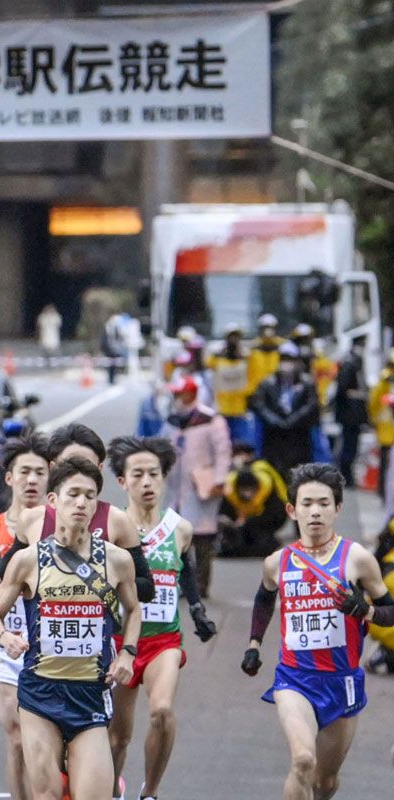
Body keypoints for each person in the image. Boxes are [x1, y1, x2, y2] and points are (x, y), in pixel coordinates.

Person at [0, 457, 142, 800]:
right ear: (53, 500)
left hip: (90, 693)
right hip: (40, 694)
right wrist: (5, 637)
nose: (82, 503)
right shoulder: (27, 560)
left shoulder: (117, 560)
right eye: (73, 494)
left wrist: (128, 653)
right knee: (47, 794)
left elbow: (133, 610)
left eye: (90, 495)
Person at [241, 463, 393, 800]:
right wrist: (254, 644)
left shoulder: (357, 559)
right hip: (295, 679)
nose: (315, 512)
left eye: (324, 503)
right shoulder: (277, 562)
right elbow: (264, 598)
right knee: (303, 761)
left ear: (338, 508)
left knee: (325, 781)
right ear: (291, 510)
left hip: (342, 682)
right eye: (307, 503)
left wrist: (366, 610)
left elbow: (391, 613)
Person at [105, 437, 217, 800]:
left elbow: (187, 572)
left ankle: (150, 792)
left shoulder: (179, 528)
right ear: (122, 481)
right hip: (121, 642)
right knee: (118, 737)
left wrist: (197, 612)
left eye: (154, 474)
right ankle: (112, 790)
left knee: (162, 712)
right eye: (137, 475)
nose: (147, 482)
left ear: (165, 477)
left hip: (163, 640)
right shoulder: (111, 529)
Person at [0, 423, 157, 609]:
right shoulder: (31, 519)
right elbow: (5, 570)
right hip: (43, 625)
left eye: (87, 466)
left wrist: (97, 581)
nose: (79, 474)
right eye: (69, 465)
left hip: (96, 625)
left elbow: (147, 589)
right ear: (53, 467)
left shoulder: (117, 521)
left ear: (100, 469)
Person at [0, 433, 50, 800]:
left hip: (53, 643)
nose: (32, 480)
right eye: (24, 472)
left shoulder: (62, 528)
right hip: (5, 641)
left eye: (40, 472)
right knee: (16, 737)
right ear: (9, 477)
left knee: (47, 739)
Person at [163, 377, 231, 599]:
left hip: (202, 486)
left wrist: (219, 479)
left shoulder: (210, 419)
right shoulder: (173, 420)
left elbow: (223, 452)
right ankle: (181, 583)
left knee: (202, 538)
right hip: (176, 486)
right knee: (177, 537)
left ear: (190, 394)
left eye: (180, 393)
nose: (176, 398)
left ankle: (201, 585)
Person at [250, 343, 319, 481]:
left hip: (298, 436)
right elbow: (259, 405)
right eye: (283, 359)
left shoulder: (307, 383)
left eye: (290, 359)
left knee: (299, 477)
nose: (286, 363)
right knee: (276, 475)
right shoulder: (267, 383)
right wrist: (276, 421)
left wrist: (293, 420)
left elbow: (311, 405)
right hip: (274, 437)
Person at [208, 323, 254, 444]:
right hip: (222, 408)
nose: (233, 339)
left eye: (236, 336)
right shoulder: (217, 357)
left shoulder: (247, 357)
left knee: (240, 442)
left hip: (240, 408)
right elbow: (208, 368)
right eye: (231, 336)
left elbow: (252, 378)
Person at [332, 338, 368, 488]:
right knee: (349, 446)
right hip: (350, 415)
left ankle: (347, 475)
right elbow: (342, 389)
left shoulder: (353, 362)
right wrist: (357, 395)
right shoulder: (350, 364)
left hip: (353, 416)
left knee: (351, 446)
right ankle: (346, 476)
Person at [369, 352, 394, 501]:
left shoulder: (384, 379)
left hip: (386, 429)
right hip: (387, 429)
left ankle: (384, 492)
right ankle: (383, 492)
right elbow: (374, 402)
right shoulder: (384, 380)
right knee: (385, 464)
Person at [246, 314, 284, 393]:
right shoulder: (253, 346)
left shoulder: (282, 345)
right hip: (256, 389)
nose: (268, 330)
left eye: (271, 327)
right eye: (265, 327)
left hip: (276, 389)